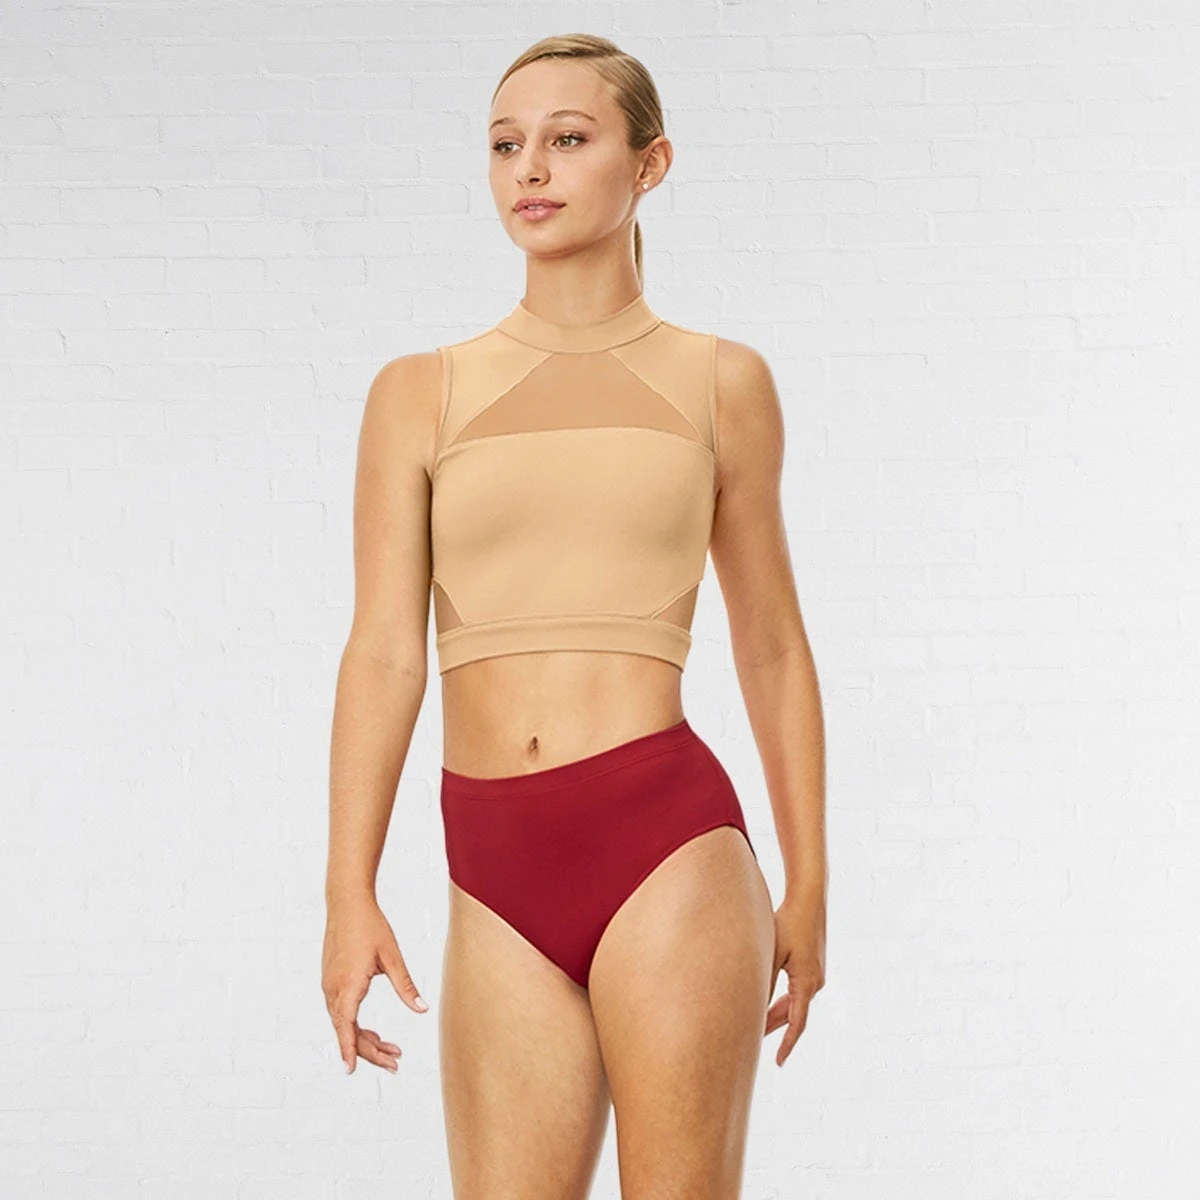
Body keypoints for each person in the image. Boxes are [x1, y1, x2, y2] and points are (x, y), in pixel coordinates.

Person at [322, 32, 827, 1199]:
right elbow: (384, 653)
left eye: (567, 139)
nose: (530, 170)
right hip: (492, 866)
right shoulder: (419, 394)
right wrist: (349, 890)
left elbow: (771, 646)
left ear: (650, 165)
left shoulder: (723, 383)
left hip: (669, 848)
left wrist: (809, 883)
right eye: (506, 145)